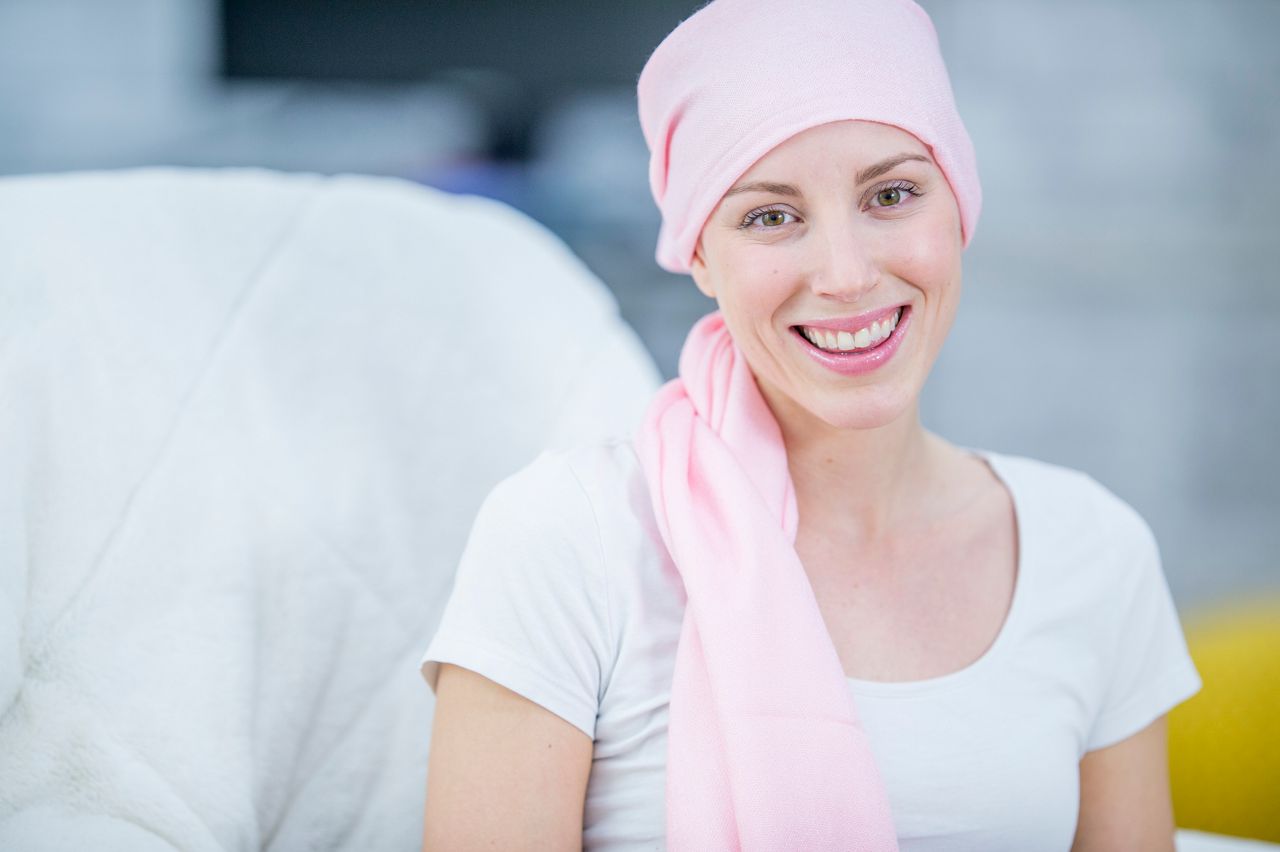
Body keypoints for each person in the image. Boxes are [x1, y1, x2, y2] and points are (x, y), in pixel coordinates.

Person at [419, 0, 1202, 849]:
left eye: (892, 194)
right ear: (701, 256)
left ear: (960, 208)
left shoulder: (1091, 548)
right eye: (770, 215)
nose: (846, 274)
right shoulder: (572, 539)